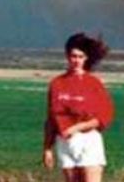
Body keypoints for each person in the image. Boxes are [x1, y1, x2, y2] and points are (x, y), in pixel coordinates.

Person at [42, 33, 115, 182]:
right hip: (65, 143)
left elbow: (104, 116)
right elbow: (51, 118)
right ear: (67, 57)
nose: (76, 60)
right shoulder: (57, 84)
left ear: (86, 58)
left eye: (80, 57)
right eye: (73, 56)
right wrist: (47, 148)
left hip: (87, 140)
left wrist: (78, 127)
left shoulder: (93, 83)